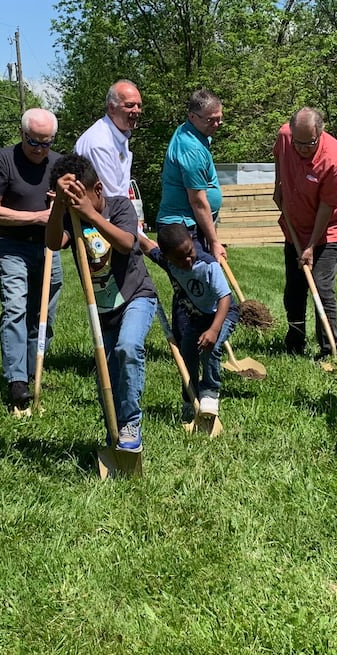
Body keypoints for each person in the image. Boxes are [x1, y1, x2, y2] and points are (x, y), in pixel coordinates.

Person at [50, 152, 157, 452]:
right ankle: (115, 429)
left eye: (80, 199)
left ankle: (131, 421)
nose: (77, 208)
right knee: (106, 373)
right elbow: (51, 243)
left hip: (136, 296)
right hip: (103, 309)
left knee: (128, 347)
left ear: (97, 189)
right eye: (70, 201)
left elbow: (126, 243)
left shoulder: (119, 206)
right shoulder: (71, 217)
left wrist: (92, 215)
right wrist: (60, 206)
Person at [0, 109, 63, 414]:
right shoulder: (4, 160)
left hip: (48, 249)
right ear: (21, 134)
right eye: (34, 142)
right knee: (15, 308)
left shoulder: (58, 164)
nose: (40, 149)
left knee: (43, 316)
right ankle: (16, 381)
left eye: (47, 143)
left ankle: (32, 372)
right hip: (12, 246)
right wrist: (36, 217)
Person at [272, 106, 337, 355]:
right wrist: (279, 186)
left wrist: (310, 246)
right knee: (294, 289)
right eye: (298, 143)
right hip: (295, 224)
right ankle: (295, 343)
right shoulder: (286, 136)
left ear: (321, 132)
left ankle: (330, 347)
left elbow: (327, 208)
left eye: (309, 144)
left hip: (328, 228)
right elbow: (279, 155)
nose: (302, 149)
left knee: (320, 284)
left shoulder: (335, 160)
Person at [148, 222, 236, 420]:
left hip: (224, 313)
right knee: (187, 354)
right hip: (198, 317)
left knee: (210, 348)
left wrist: (213, 330)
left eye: (189, 252)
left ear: (192, 242)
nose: (187, 260)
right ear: (167, 257)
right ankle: (190, 398)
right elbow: (149, 248)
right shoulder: (168, 262)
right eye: (179, 258)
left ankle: (210, 394)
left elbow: (225, 297)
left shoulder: (207, 264)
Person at [157, 87, 226, 261]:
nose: (216, 125)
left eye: (219, 119)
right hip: (184, 229)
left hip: (192, 224)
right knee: (205, 283)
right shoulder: (191, 149)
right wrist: (214, 242)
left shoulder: (195, 131)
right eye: (211, 120)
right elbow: (198, 201)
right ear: (192, 116)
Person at [74, 80, 143, 202]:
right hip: (98, 217)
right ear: (112, 108)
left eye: (139, 105)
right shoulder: (99, 143)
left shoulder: (119, 135)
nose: (136, 110)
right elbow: (111, 198)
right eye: (129, 105)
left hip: (115, 214)